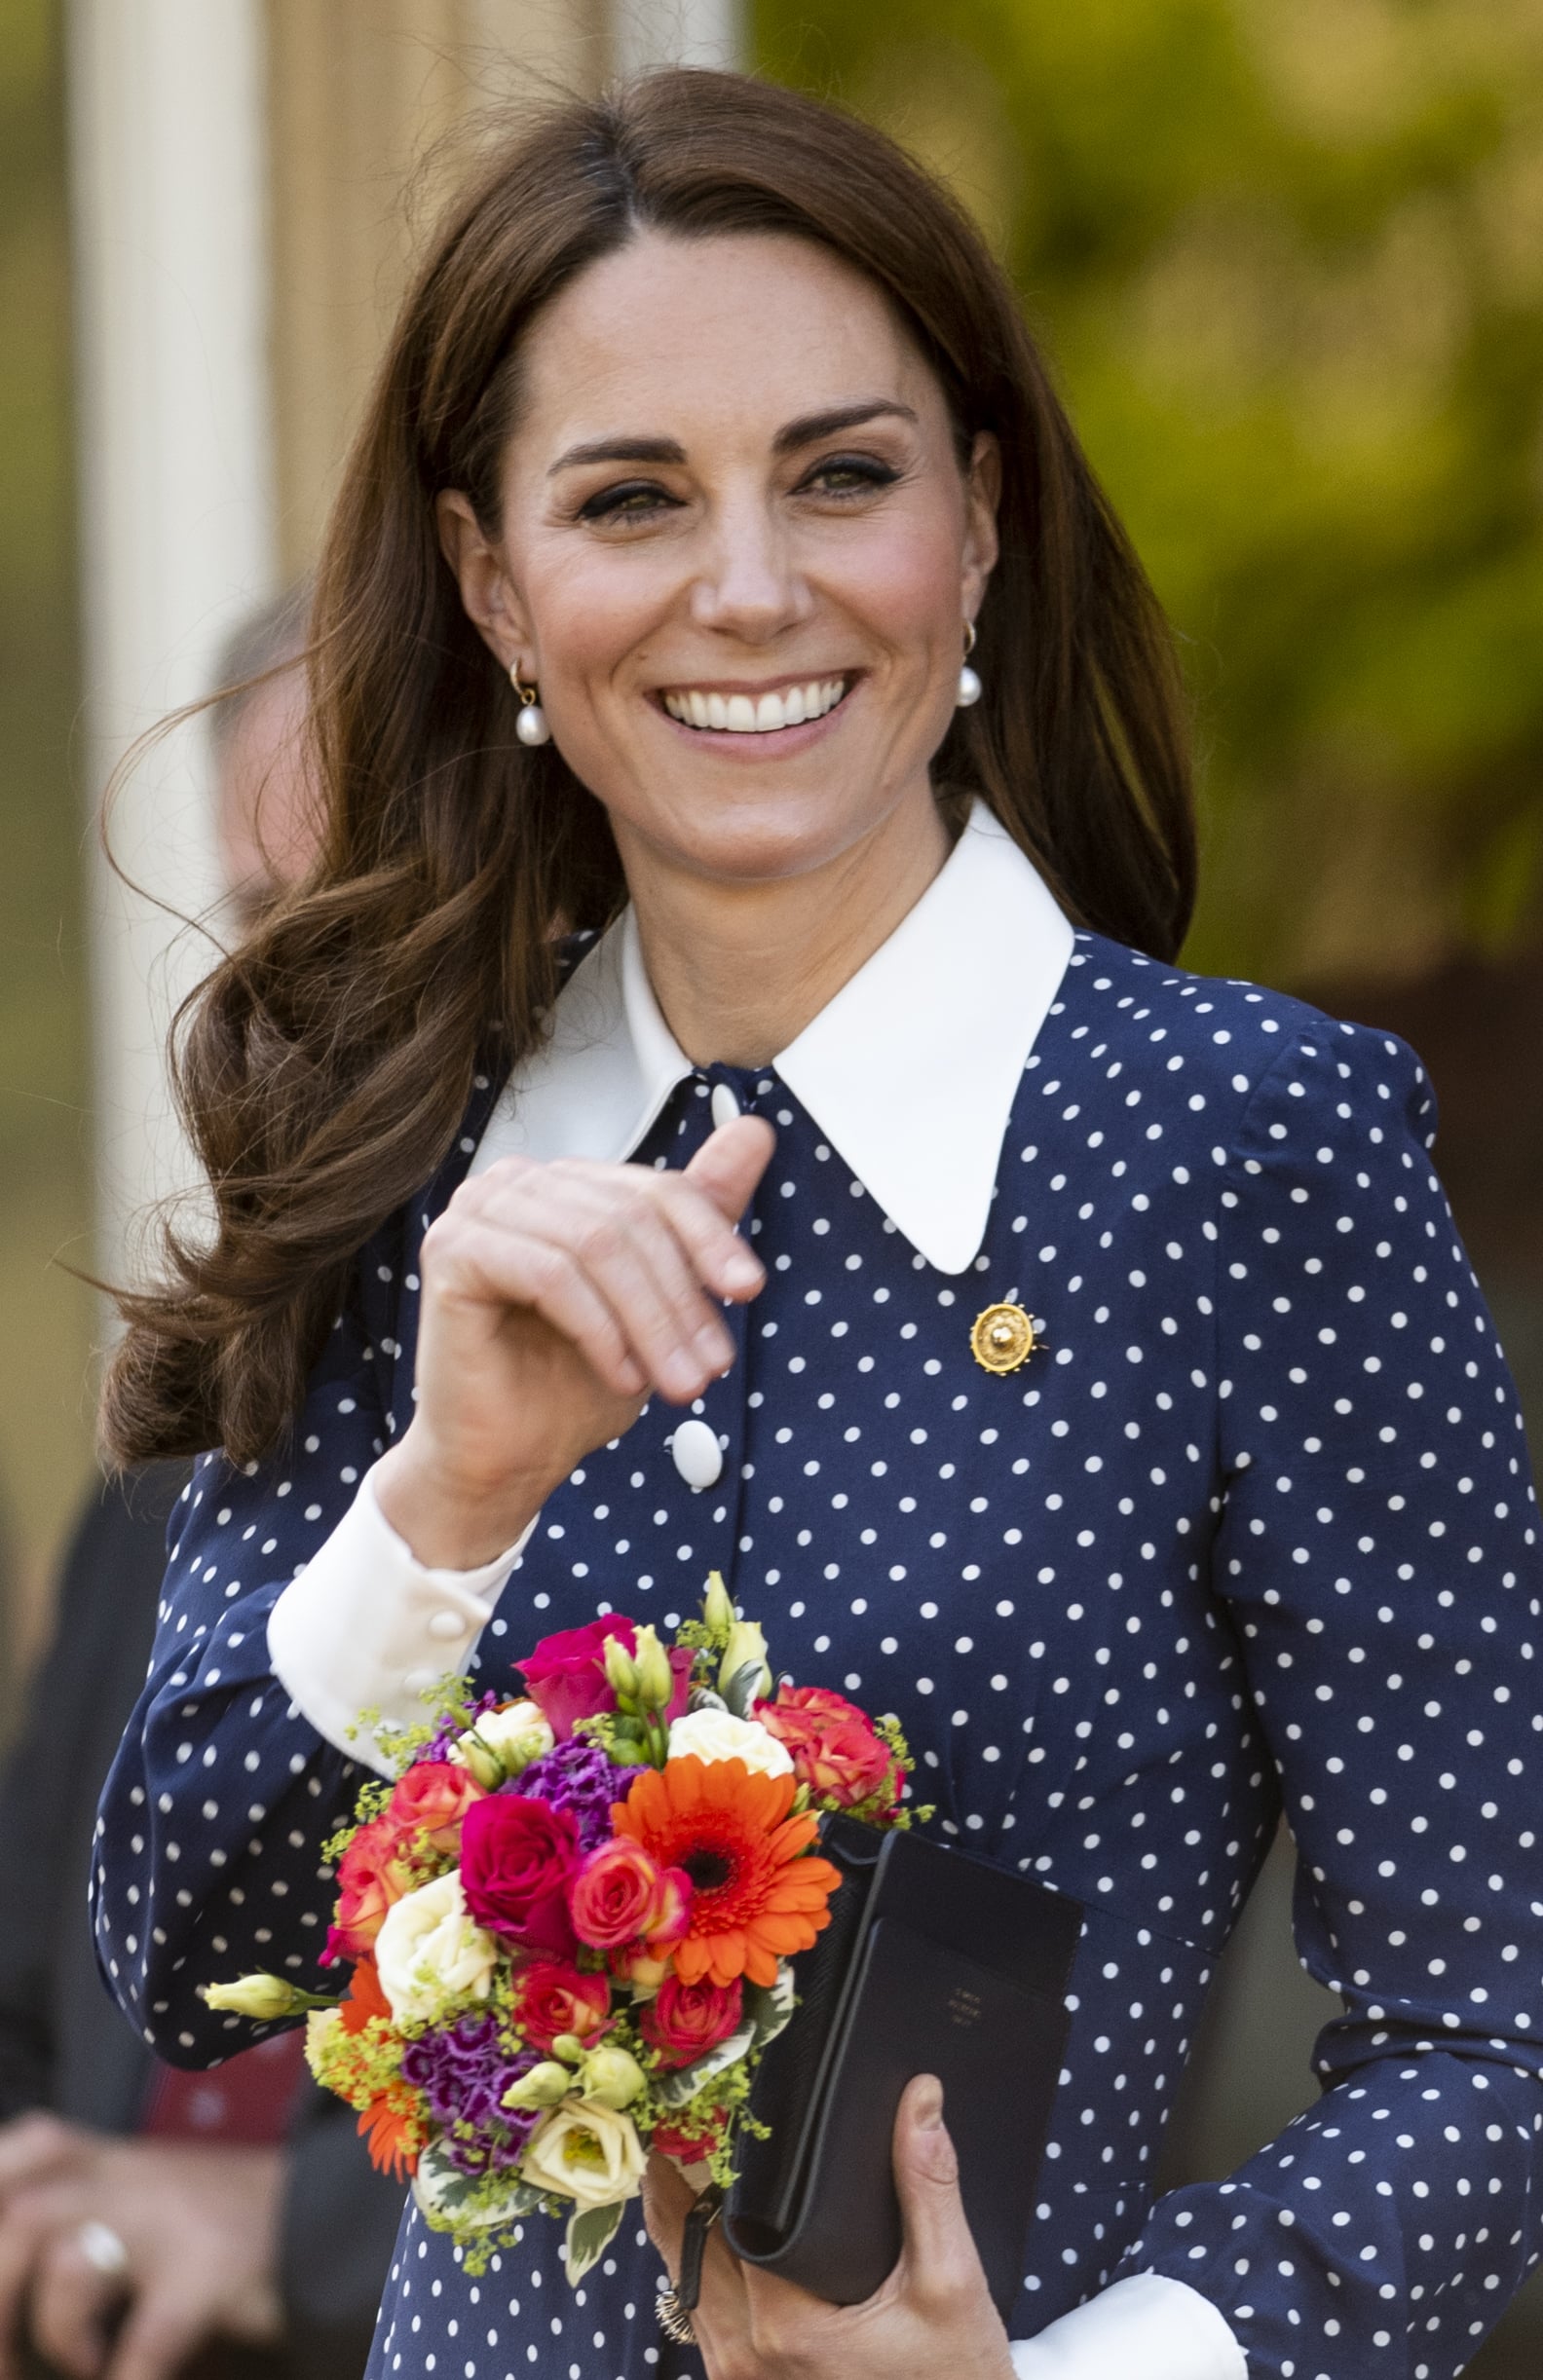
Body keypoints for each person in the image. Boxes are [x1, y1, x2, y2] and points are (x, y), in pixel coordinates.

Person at [89, 67, 1543, 2380]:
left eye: (843, 475)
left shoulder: (1252, 1144)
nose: (747, 586)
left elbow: (1499, 2038)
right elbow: (181, 1939)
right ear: (495, 583)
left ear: (978, 523)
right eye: (631, 498)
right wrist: (448, 1501)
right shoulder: (406, 1155)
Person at [0, 594, 401, 2380]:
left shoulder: (747, 1453)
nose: (305, 1005)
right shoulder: (180, 1472)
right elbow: (23, 2002)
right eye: (265, 926)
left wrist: (286, 2239)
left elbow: (819, 2082)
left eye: (376, 921)